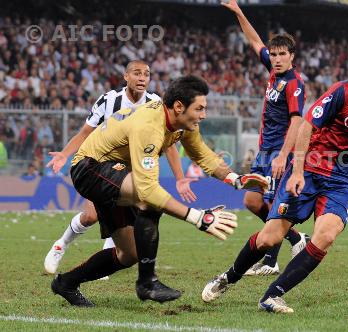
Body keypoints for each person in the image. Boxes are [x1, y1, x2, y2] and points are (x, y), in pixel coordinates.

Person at [202, 51, 348, 313]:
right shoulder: (344, 92)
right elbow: (306, 125)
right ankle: (228, 277)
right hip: (310, 167)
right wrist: (296, 172)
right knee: (269, 238)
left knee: (326, 236)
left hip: (343, 181)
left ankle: (272, 295)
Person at [51, 75, 268, 307]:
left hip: (117, 172)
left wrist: (236, 179)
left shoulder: (182, 121)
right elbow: (147, 191)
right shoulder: (149, 126)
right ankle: (147, 283)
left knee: (129, 255)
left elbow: (202, 153)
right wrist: (197, 217)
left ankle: (66, 283)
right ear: (178, 107)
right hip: (90, 167)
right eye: (200, 108)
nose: (203, 115)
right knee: (149, 200)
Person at [44, 60, 197, 275]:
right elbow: (86, 133)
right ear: (126, 77)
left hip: (135, 168)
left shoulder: (156, 103)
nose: (142, 77)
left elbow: (169, 143)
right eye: (137, 73)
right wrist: (64, 154)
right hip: (103, 166)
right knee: (90, 216)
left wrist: (180, 177)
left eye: (146, 74)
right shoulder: (109, 100)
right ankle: (61, 244)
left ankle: (120, 262)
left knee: (135, 209)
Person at [223, 0, 308, 276]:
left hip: (278, 153)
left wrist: (283, 156)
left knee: (272, 206)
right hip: (264, 151)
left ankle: (271, 261)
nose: (276, 58)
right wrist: (239, 12)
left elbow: (297, 120)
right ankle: (295, 238)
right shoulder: (273, 72)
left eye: (282, 54)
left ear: (291, 56)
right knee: (252, 201)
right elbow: (254, 40)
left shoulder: (294, 84)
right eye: (273, 54)